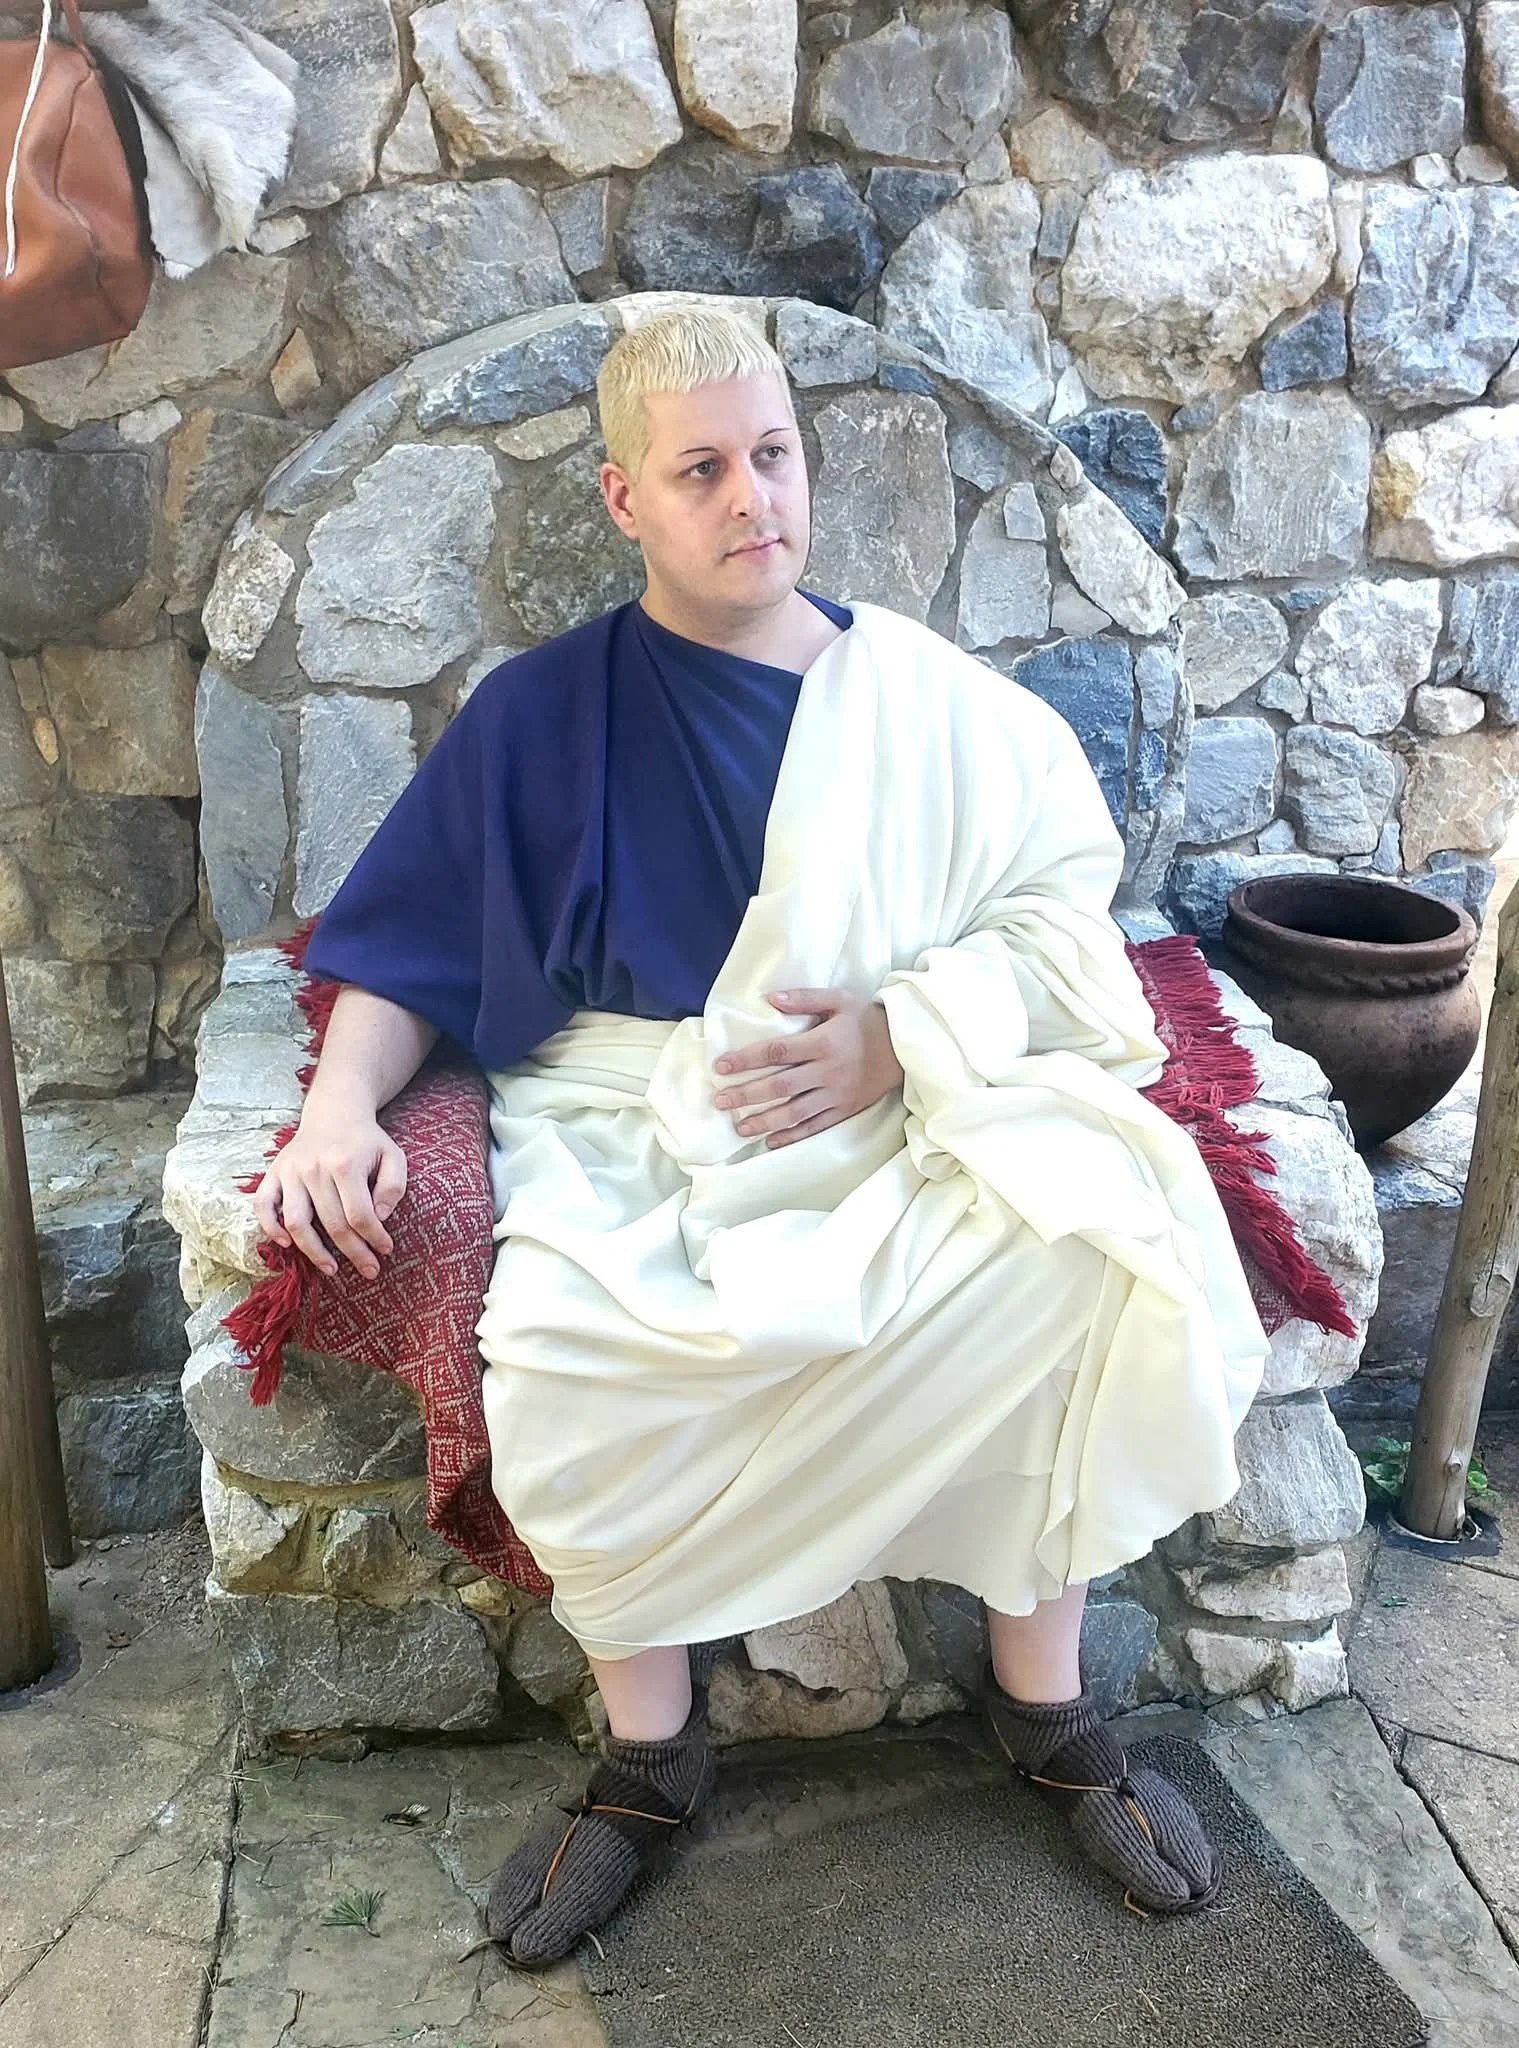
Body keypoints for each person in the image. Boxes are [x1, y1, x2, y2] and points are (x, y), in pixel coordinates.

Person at [253, 305, 1270, 1966]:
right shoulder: (542, 713)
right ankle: (652, 1758)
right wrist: (339, 1109)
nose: (752, 498)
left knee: (1089, 1254)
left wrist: (901, 1040)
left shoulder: (934, 706)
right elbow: (405, 940)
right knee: (564, 1355)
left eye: (774, 455)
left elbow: (1072, 932)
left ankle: (1045, 1705)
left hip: (899, 1111)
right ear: (623, 501)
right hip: (637, 1124)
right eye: (702, 469)